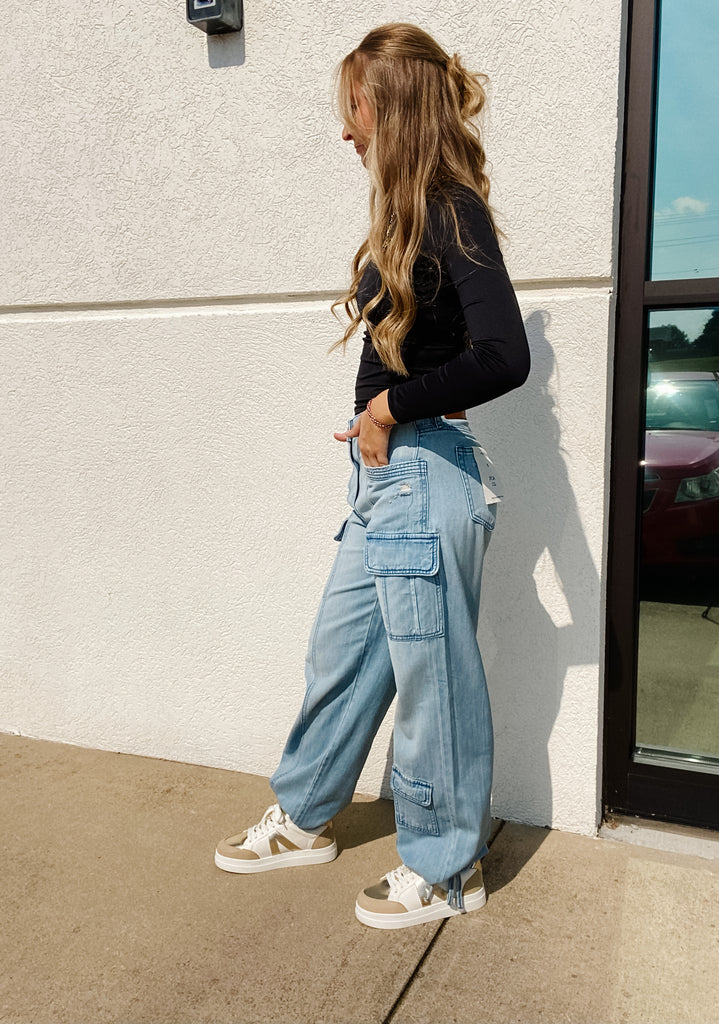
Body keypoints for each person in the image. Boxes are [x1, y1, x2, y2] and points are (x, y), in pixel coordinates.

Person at [215, 22, 530, 929]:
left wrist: (389, 409)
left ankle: (446, 868)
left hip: (425, 475)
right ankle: (306, 814)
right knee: (344, 654)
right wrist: (369, 423)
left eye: (354, 108)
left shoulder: (451, 208)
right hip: (388, 487)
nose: (345, 130)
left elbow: (504, 355)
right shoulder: (413, 217)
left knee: (434, 680)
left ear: (390, 108)